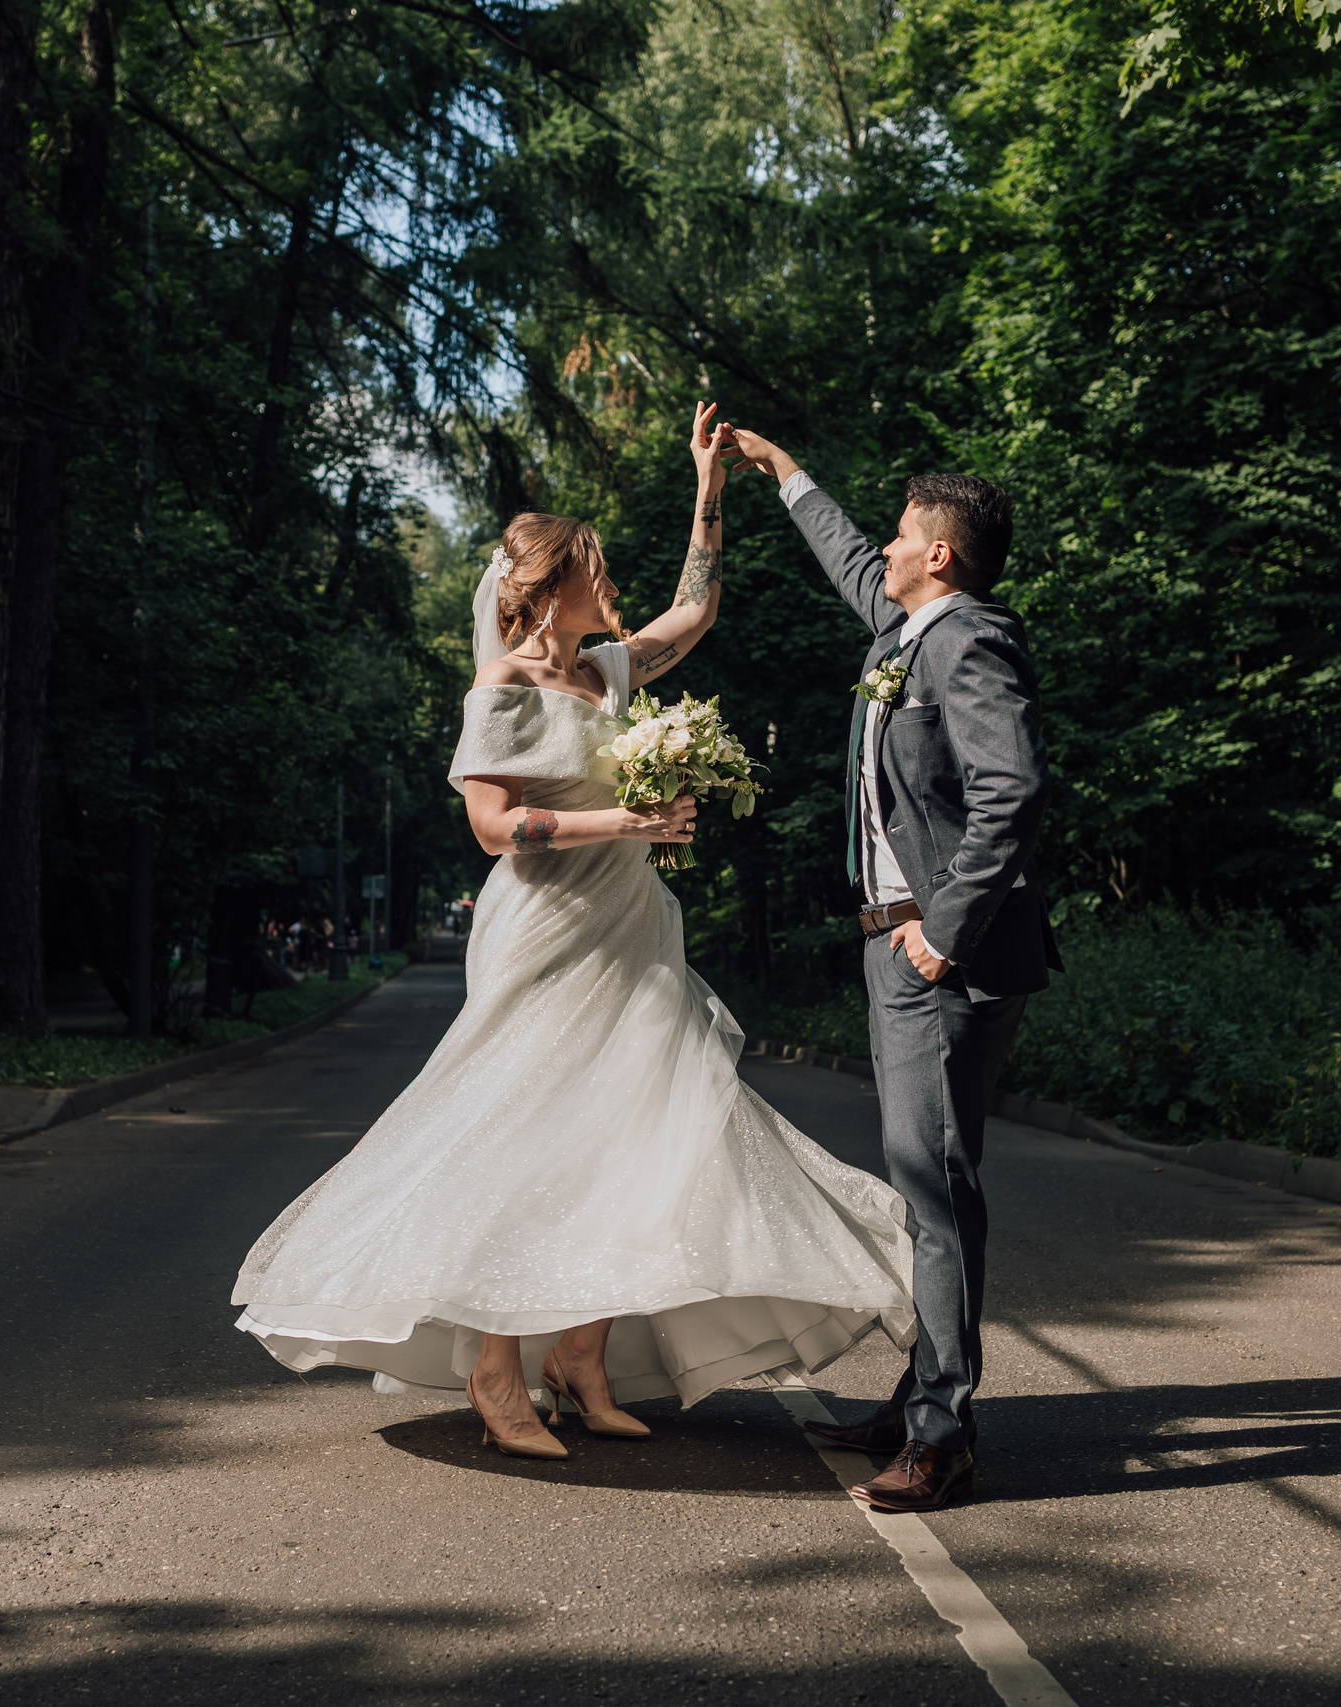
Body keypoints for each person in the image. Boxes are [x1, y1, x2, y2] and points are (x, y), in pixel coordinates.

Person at [233, 405, 915, 1459]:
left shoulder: (606, 674)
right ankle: (495, 1368)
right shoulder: (500, 689)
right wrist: (626, 819)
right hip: (546, 934)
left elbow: (694, 612)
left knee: (650, 1132)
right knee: (531, 1133)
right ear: (551, 589)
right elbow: (497, 827)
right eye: (596, 573)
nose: (614, 590)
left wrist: (710, 487)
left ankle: (580, 1357)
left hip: (634, 928)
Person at [722, 426, 1050, 1513]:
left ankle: (941, 1435)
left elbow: (1010, 790)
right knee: (929, 1193)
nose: (888, 549)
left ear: (941, 556)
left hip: (938, 955)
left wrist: (944, 928)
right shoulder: (910, 627)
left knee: (934, 1191)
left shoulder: (966, 644)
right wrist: (781, 474)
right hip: (898, 946)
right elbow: (854, 566)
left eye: (904, 533)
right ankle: (923, 1394)